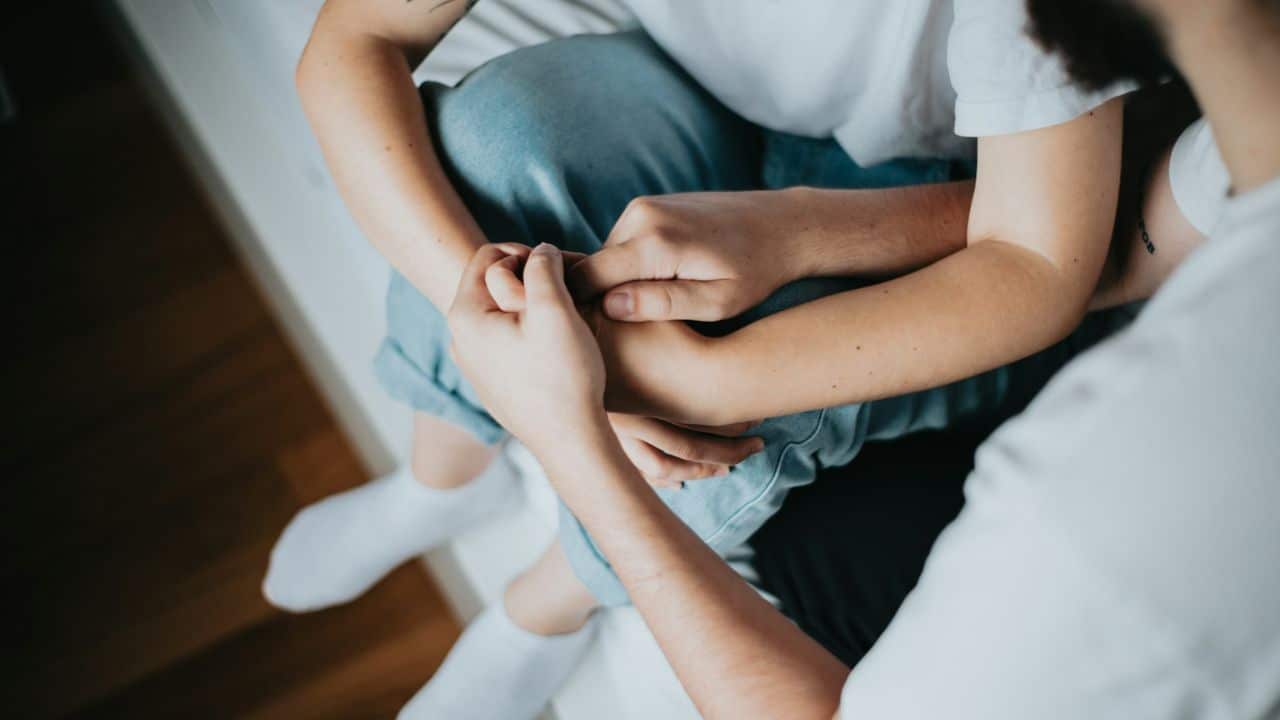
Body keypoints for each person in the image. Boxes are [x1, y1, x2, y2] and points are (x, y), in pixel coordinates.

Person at [268, 1, 1143, 716]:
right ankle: (445, 481)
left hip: (961, 182)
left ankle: (541, 609)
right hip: (702, 94)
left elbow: (1040, 257)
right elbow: (356, 40)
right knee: (484, 148)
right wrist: (493, 312)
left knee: (742, 392)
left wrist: (651, 383)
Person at [446, 0, 1280, 716]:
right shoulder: (1235, 147)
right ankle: (449, 488)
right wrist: (805, 235)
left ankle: (542, 603)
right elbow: (1125, 239)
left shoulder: (1104, 510)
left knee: (809, 531)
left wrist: (573, 437)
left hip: (1099, 552)